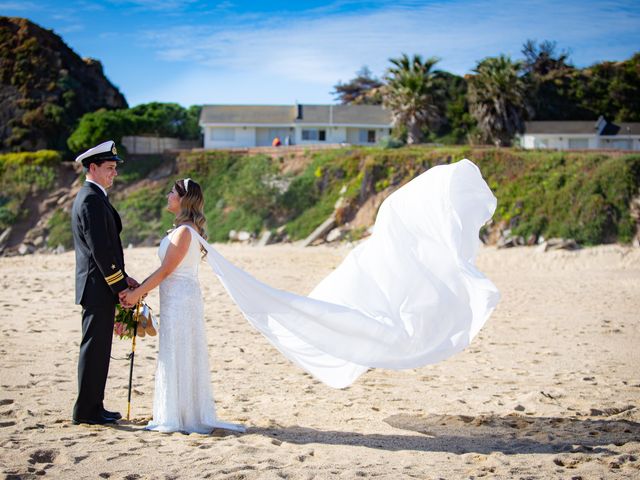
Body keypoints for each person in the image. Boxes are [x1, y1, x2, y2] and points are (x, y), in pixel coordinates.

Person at [120, 178, 245, 434]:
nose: (167, 195)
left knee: (179, 352)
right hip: (177, 298)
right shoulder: (184, 230)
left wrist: (137, 294)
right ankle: (180, 411)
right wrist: (139, 289)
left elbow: (166, 270)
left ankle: (180, 416)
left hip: (181, 301)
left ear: (184, 200)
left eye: (172, 192)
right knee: (177, 351)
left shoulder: (185, 232)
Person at [71, 140, 139, 425]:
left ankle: (93, 407)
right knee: (94, 348)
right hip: (97, 288)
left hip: (100, 287)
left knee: (100, 350)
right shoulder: (89, 199)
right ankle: (86, 411)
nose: (114, 174)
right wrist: (120, 286)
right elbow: (100, 251)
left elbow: (106, 248)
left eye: (114, 168)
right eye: (109, 168)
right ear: (92, 167)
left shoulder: (95, 197)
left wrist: (125, 278)